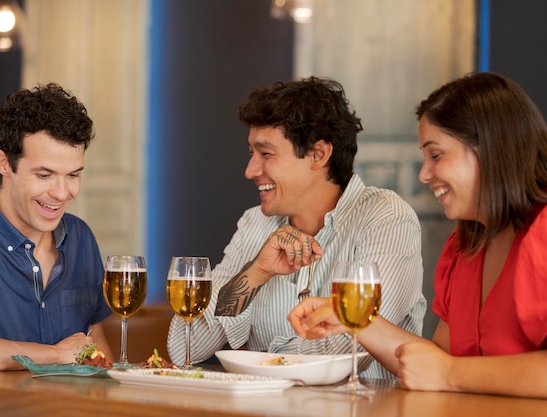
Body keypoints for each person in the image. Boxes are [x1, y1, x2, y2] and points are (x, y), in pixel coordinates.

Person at [288, 72, 547, 400]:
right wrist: (356, 321)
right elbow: (432, 364)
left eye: (437, 155)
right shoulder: (466, 246)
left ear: (490, 149)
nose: (424, 174)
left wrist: (449, 372)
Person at [167, 76, 426, 378]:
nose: (250, 170)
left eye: (266, 154)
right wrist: (256, 273)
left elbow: (351, 349)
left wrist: (260, 360)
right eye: (251, 153)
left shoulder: (385, 218)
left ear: (318, 155)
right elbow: (184, 348)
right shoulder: (255, 222)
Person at [0, 83, 114, 372]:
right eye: (44, 175)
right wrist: (53, 354)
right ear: (4, 163)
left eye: (73, 175)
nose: (61, 192)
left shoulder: (81, 238)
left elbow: (95, 343)